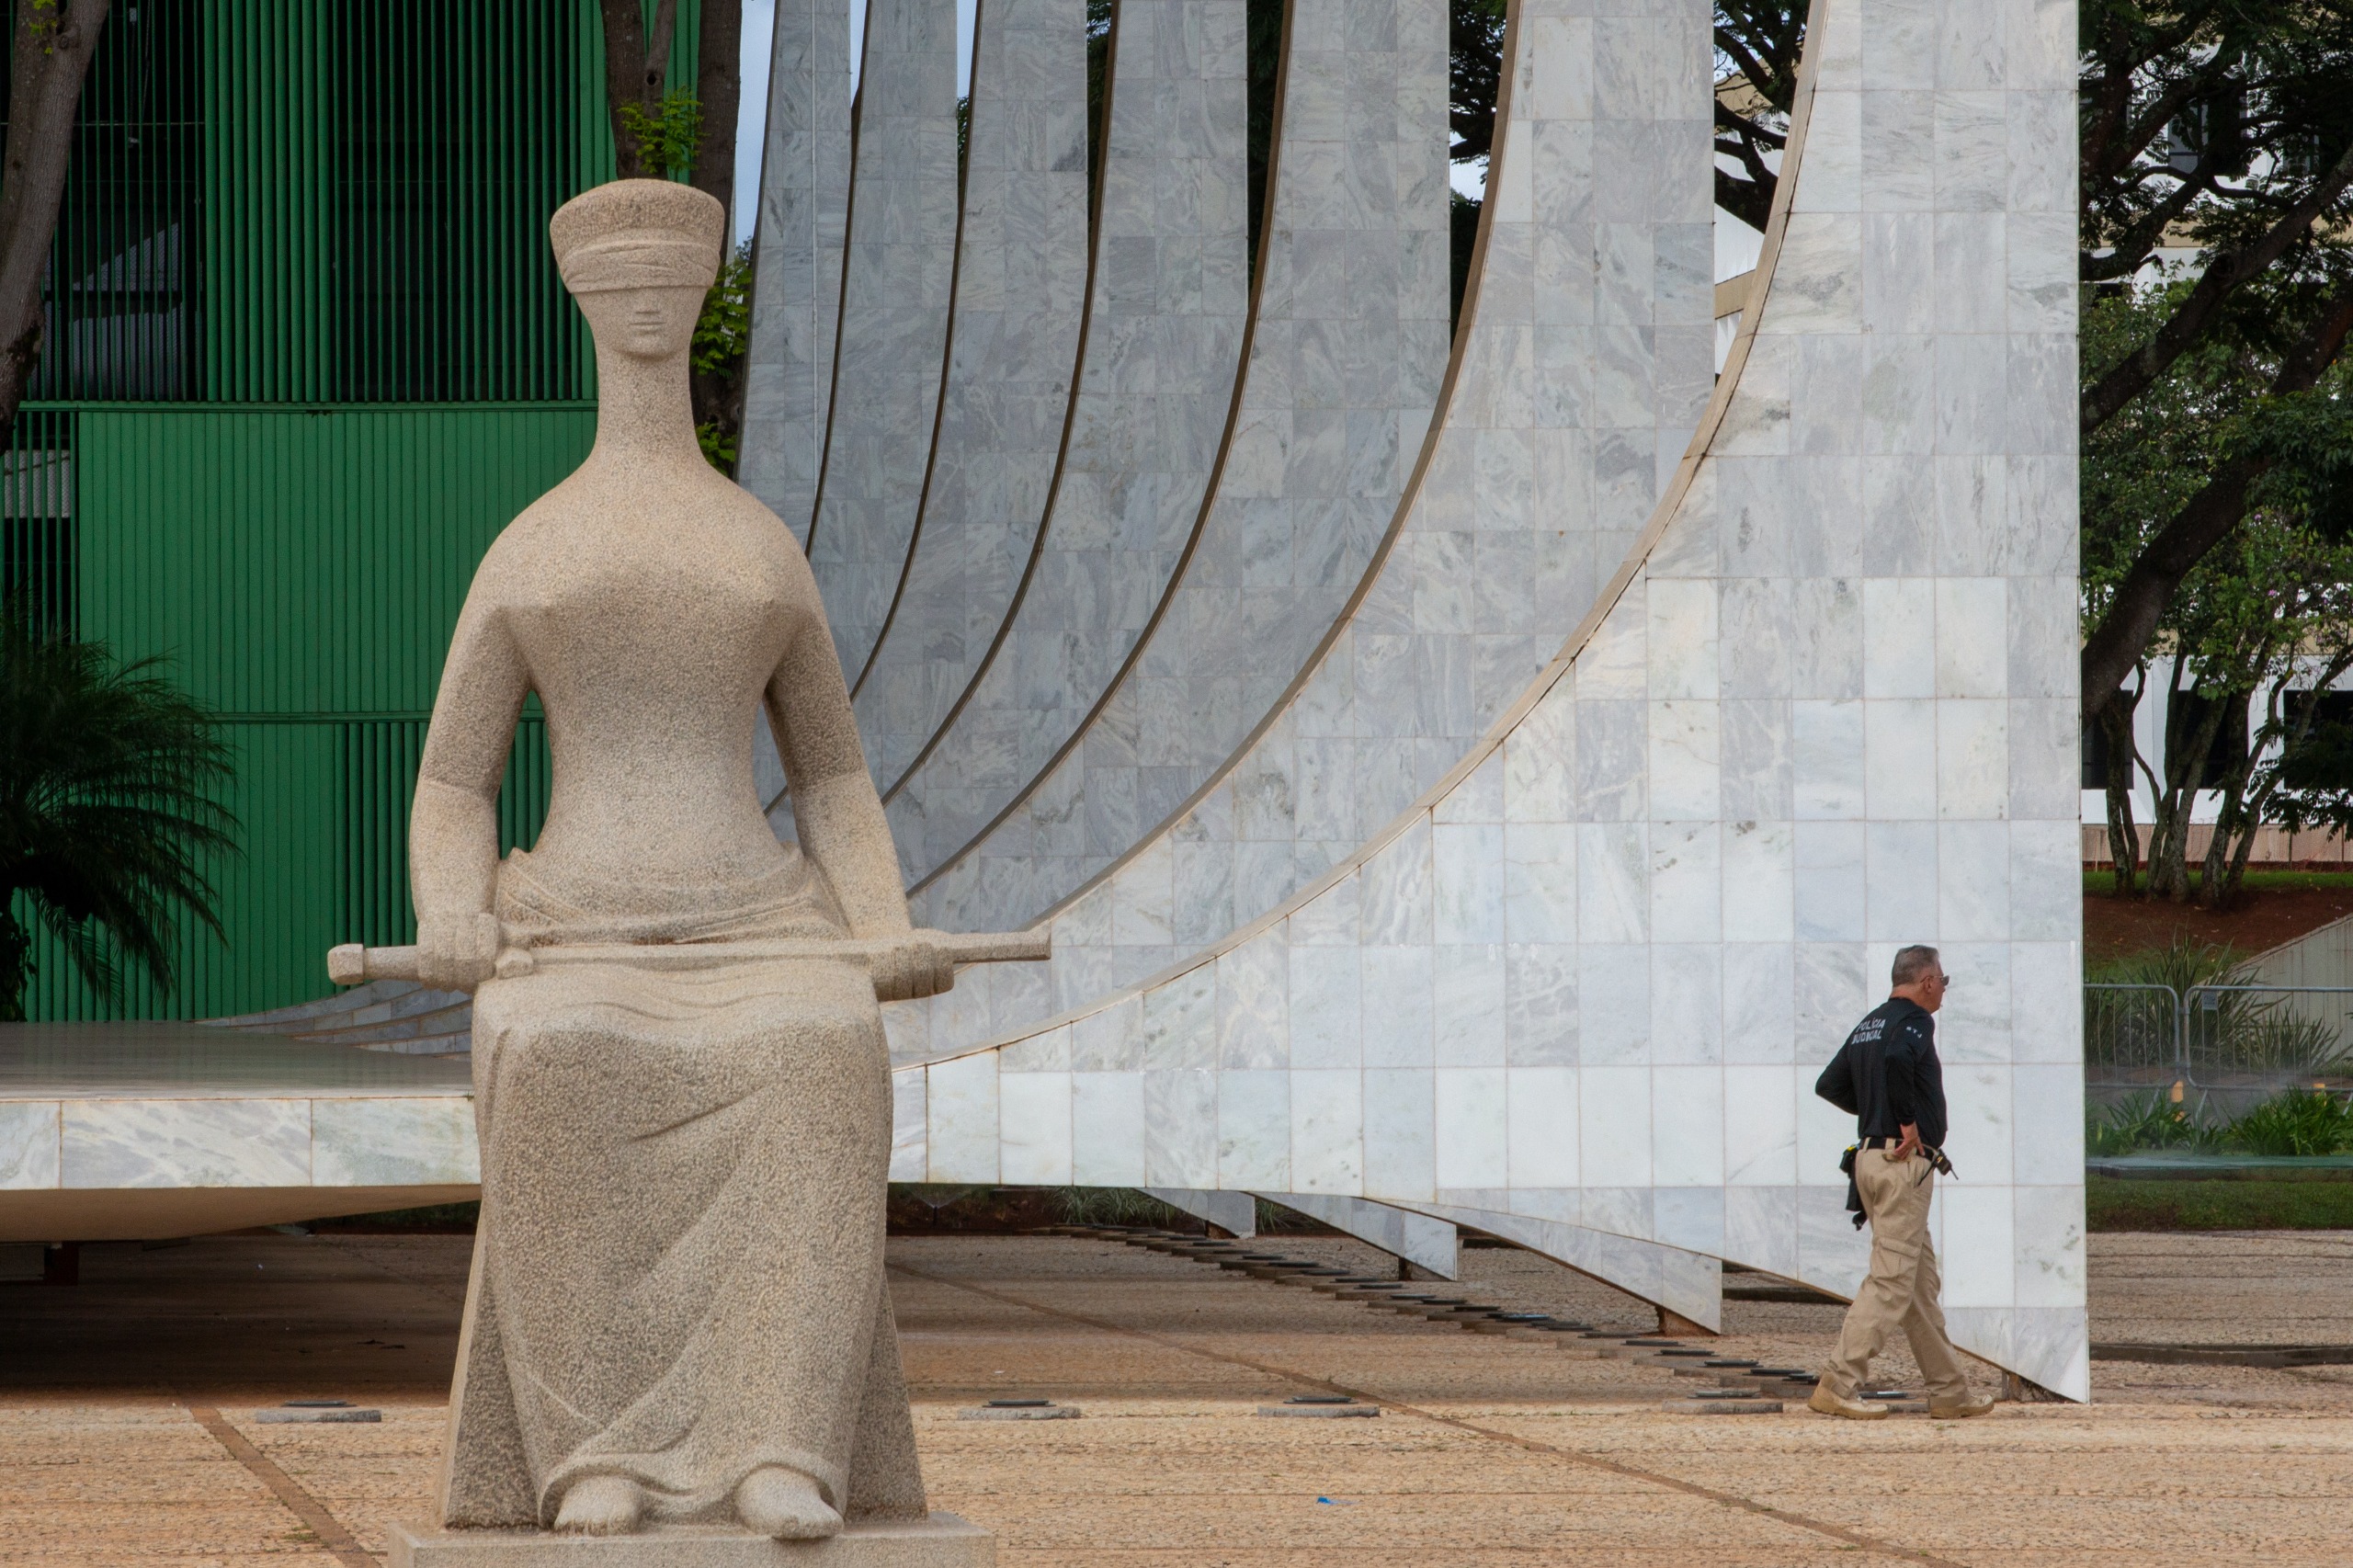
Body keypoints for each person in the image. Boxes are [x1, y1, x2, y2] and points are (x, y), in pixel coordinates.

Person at [411, 180, 949, 1540]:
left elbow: (829, 770)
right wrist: (450, 908)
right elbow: (449, 782)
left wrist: (879, 919)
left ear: (699, 298)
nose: (647, 303)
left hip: (758, 920)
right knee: (557, 1053)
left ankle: (782, 1444)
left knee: (826, 1048)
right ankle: (596, 1450)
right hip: (573, 922)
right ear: (588, 305)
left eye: (672, 281)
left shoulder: (756, 543)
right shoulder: (533, 546)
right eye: (621, 285)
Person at [1806, 945, 1995, 1421]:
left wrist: (1876, 1112)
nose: (1944, 991)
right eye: (1943, 981)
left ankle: (1950, 1392)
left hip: (1870, 1160)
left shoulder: (1870, 1022)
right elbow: (1895, 1059)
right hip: (1900, 1164)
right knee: (1891, 1282)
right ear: (1927, 980)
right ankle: (1838, 1382)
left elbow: (1829, 1085)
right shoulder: (1914, 1022)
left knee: (1917, 1284)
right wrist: (1905, 1122)